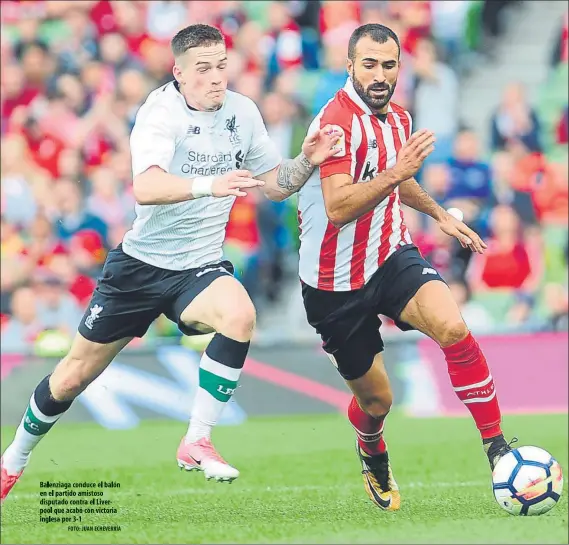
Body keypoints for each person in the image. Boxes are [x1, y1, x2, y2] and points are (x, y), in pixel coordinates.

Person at [0, 24, 342, 501]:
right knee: (72, 375)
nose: (216, 77)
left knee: (240, 315)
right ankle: (13, 459)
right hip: (140, 267)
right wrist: (211, 184)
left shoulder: (243, 113)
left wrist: (306, 160)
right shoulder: (160, 113)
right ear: (179, 73)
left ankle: (197, 438)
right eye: (203, 69)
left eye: (222, 65)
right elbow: (146, 187)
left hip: (198, 266)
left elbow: (275, 184)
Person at [297, 23, 515, 511]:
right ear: (350, 65)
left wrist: (438, 214)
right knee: (378, 402)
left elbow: (395, 182)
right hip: (334, 283)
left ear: (400, 67)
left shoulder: (397, 117)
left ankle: (498, 447)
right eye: (369, 64)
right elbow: (338, 206)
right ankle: (372, 449)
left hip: (391, 255)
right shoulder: (333, 125)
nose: (380, 75)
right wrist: (398, 172)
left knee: (453, 326)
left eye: (389, 64)